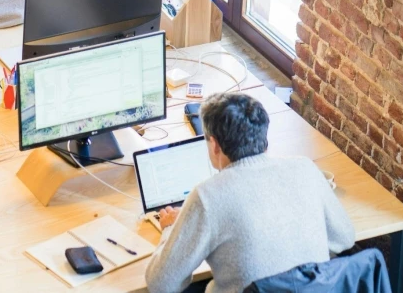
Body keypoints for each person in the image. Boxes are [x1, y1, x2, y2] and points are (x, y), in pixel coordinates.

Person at [145, 93, 355, 293]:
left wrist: (171, 229)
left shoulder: (208, 196)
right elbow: (345, 238)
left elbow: (162, 284)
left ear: (215, 145)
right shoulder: (305, 168)